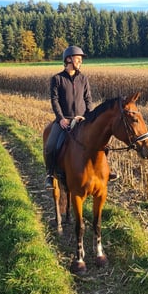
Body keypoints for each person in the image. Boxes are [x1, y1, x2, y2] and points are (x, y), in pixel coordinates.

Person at [44, 45, 118, 189]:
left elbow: (88, 99)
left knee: (104, 144)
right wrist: (61, 119)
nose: (80, 62)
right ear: (68, 59)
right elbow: (55, 100)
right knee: (51, 146)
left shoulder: (83, 78)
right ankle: (50, 174)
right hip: (64, 120)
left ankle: (106, 171)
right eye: (78, 59)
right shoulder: (57, 79)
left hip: (82, 119)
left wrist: (89, 117)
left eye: (81, 60)